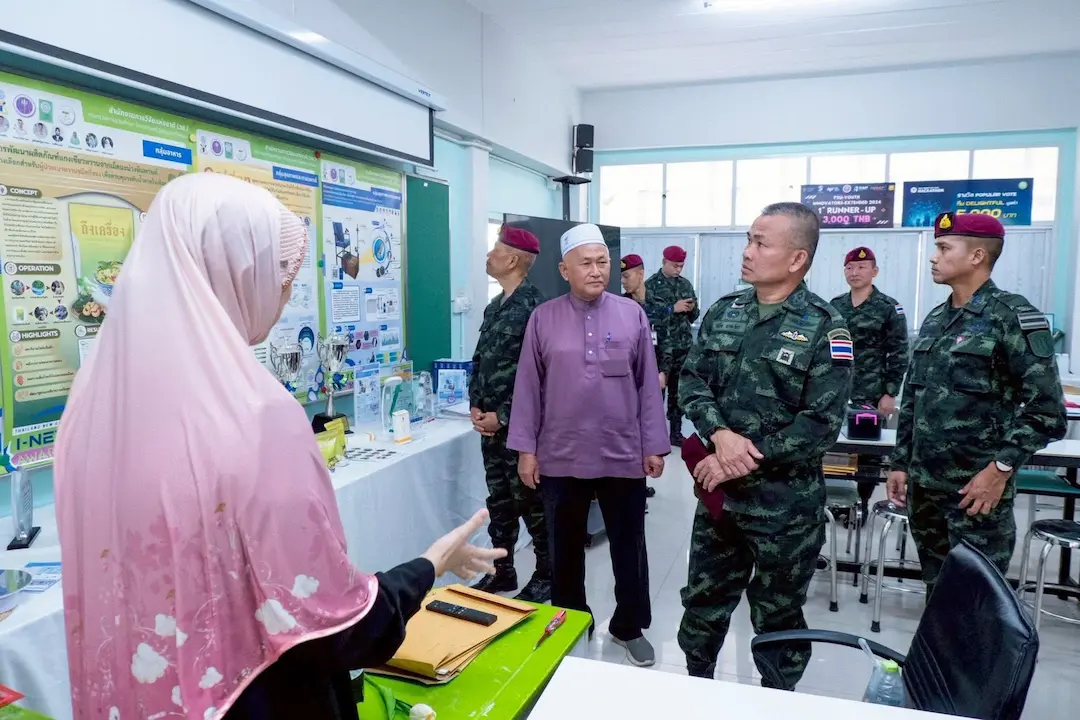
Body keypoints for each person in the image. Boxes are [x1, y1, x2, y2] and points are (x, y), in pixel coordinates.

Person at [54, 173, 503, 720]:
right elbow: (334, 629)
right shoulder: (252, 415)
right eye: (277, 274)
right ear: (231, 273)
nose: (286, 293)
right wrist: (432, 563)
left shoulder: (91, 406)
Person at [678, 202, 852, 688]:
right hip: (720, 500)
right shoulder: (724, 311)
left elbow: (820, 424)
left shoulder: (825, 326)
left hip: (785, 508)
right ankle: (695, 688)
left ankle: (778, 699)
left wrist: (739, 458)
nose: (747, 252)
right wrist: (720, 435)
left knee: (777, 616)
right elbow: (692, 381)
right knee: (703, 603)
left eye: (761, 242)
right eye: (748, 239)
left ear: (797, 259)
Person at [508, 223, 668, 667]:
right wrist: (526, 449)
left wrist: (653, 444)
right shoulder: (543, 318)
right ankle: (572, 618)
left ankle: (629, 626)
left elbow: (648, 387)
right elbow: (527, 387)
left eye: (603, 262)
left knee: (628, 544)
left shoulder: (632, 314)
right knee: (563, 547)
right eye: (587, 263)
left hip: (623, 452)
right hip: (560, 453)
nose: (597, 271)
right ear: (564, 269)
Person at [887, 212, 1066, 596]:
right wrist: (900, 462)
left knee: (978, 606)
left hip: (976, 493)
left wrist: (999, 470)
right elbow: (913, 401)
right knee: (938, 598)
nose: (934, 257)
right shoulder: (936, 320)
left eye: (943, 248)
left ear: (977, 256)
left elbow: (1047, 412)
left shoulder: (1012, 318)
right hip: (925, 492)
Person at [469, 224, 550, 601]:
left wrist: (501, 414)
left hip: (522, 431)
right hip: (490, 429)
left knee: (532, 505)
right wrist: (476, 404)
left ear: (513, 259)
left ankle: (547, 575)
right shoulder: (495, 305)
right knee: (499, 502)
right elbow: (481, 360)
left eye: (494, 250)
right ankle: (502, 571)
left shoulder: (537, 308)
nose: (489, 256)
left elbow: (541, 375)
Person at [830, 246, 908, 519]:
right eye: (850, 267)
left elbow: (898, 352)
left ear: (874, 272)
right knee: (832, 444)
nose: (855, 272)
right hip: (837, 388)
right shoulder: (835, 306)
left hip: (871, 392)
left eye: (862, 267)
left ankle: (861, 505)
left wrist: (890, 393)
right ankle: (835, 501)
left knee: (868, 453)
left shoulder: (889, 307)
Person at [621, 252, 667, 499]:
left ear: (640, 273)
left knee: (649, 427)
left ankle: (644, 474)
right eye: (621, 278)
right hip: (628, 379)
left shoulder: (659, 305)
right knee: (630, 427)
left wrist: (664, 371)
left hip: (655, 378)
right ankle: (633, 481)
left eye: (627, 276)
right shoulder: (621, 305)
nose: (624, 282)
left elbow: (667, 342)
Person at [645, 245, 698, 445]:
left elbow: (694, 317)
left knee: (678, 393)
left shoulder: (685, 285)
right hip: (659, 349)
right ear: (664, 262)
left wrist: (691, 309)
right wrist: (671, 308)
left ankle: (675, 434)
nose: (678, 270)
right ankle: (653, 435)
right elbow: (645, 315)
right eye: (675, 266)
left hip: (683, 348)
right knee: (656, 394)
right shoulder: (650, 286)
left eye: (681, 266)